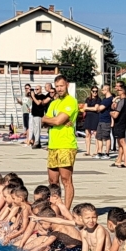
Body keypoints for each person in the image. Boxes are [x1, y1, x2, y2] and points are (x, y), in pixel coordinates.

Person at [42, 75, 79, 209]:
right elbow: (44, 121)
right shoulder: (54, 103)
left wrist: (52, 120)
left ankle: (66, 210)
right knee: (52, 181)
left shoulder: (71, 101)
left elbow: (56, 121)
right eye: (57, 86)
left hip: (66, 145)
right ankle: (55, 208)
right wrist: (50, 120)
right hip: (53, 145)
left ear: (67, 85)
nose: (59, 89)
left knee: (66, 180)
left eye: (61, 86)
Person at [110, 83, 126, 168]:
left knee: (123, 143)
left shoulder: (122, 102)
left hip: (120, 124)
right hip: (122, 123)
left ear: (123, 91)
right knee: (119, 144)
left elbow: (115, 115)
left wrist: (111, 113)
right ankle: (118, 160)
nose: (117, 91)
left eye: (119, 90)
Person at [30, 84, 52, 150]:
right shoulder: (35, 96)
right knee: (34, 129)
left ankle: (36, 143)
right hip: (34, 114)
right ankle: (37, 142)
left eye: (37, 89)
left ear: (40, 89)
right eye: (35, 89)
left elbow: (38, 103)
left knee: (37, 129)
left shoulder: (42, 96)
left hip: (39, 115)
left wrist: (33, 97)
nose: (36, 90)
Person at [95, 84, 114, 159]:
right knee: (99, 137)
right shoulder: (104, 99)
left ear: (106, 89)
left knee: (106, 137)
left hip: (106, 121)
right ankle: (99, 152)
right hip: (101, 120)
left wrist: (97, 107)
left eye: (102, 90)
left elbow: (100, 108)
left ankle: (107, 153)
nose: (101, 91)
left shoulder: (109, 99)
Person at [82, 86, 100, 156]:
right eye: (93, 91)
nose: (95, 92)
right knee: (87, 134)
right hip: (88, 117)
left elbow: (96, 109)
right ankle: (87, 151)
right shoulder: (88, 99)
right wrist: (90, 108)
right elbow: (84, 108)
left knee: (96, 134)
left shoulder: (98, 99)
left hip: (95, 117)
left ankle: (96, 151)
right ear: (91, 91)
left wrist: (87, 108)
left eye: (96, 91)